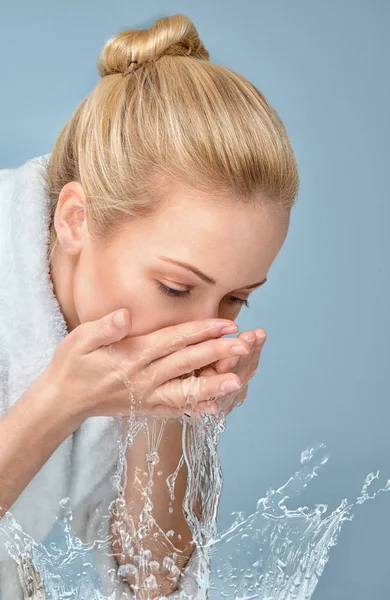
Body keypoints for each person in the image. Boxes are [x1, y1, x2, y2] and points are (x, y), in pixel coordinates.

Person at [0, 12, 299, 600]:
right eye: (175, 288)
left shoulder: (121, 347)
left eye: (235, 299)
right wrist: (59, 402)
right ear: (75, 220)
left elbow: (152, 582)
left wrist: (174, 418)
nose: (202, 332)